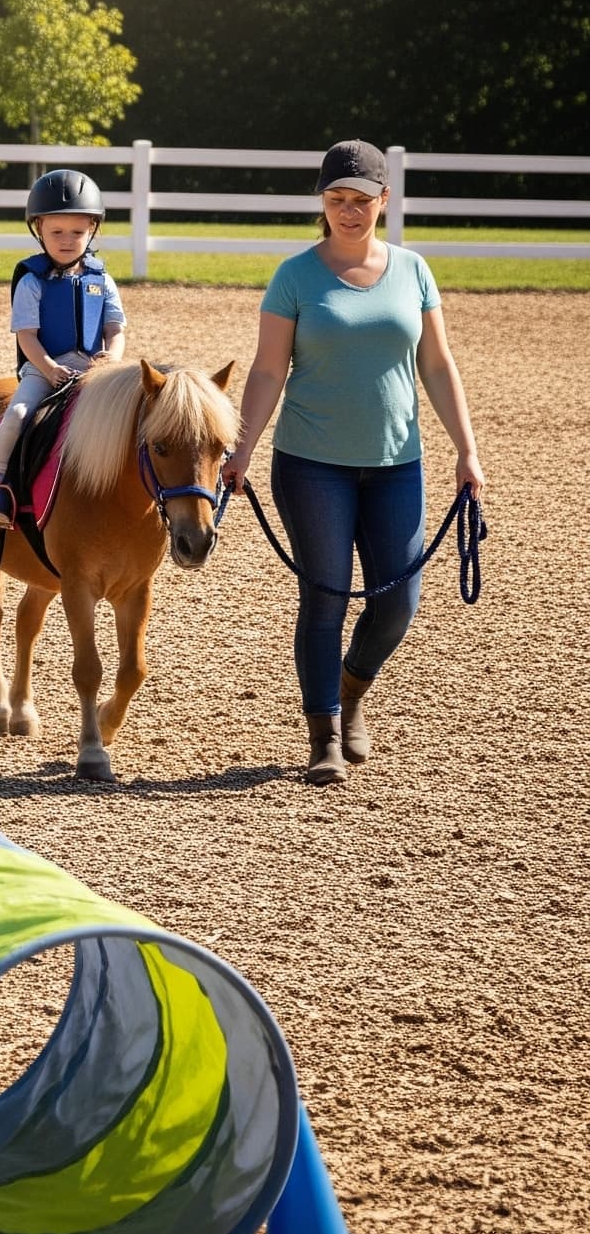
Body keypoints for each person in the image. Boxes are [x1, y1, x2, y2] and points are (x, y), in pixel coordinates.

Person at [222, 139, 486, 786]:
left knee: (399, 600)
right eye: (337, 199)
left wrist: (467, 449)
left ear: (383, 201)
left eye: (361, 199)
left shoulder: (414, 270)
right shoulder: (294, 276)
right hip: (312, 462)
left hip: (398, 462)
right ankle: (324, 736)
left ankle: (350, 692)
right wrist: (242, 445)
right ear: (323, 202)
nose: (349, 210)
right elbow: (266, 369)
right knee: (325, 596)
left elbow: (437, 365)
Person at [0, 170, 128, 527]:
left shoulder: (101, 279)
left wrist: (113, 359)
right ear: (38, 228)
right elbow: (26, 336)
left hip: (94, 372)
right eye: (56, 231)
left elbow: (115, 329)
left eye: (77, 232)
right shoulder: (31, 280)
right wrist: (49, 369)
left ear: (92, 228)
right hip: (45, 369)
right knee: (16, 415)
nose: (67, 240)